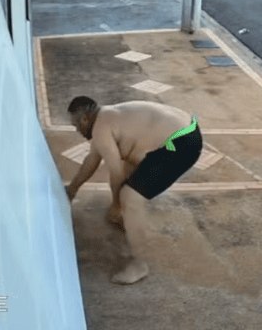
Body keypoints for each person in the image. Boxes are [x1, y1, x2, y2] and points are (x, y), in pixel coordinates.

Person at [65, 96, 203, 284]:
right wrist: (71, 190)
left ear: (84, 120)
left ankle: (140, 264)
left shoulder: (100, 129)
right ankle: (124, 216)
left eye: (76, 126)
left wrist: (117, 205)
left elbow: (115, 174)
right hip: (187, 127)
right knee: (129, 162)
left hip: (181, 143)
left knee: (129, 197)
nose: (77, 130)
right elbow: (92, 159)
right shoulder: (106, 116)